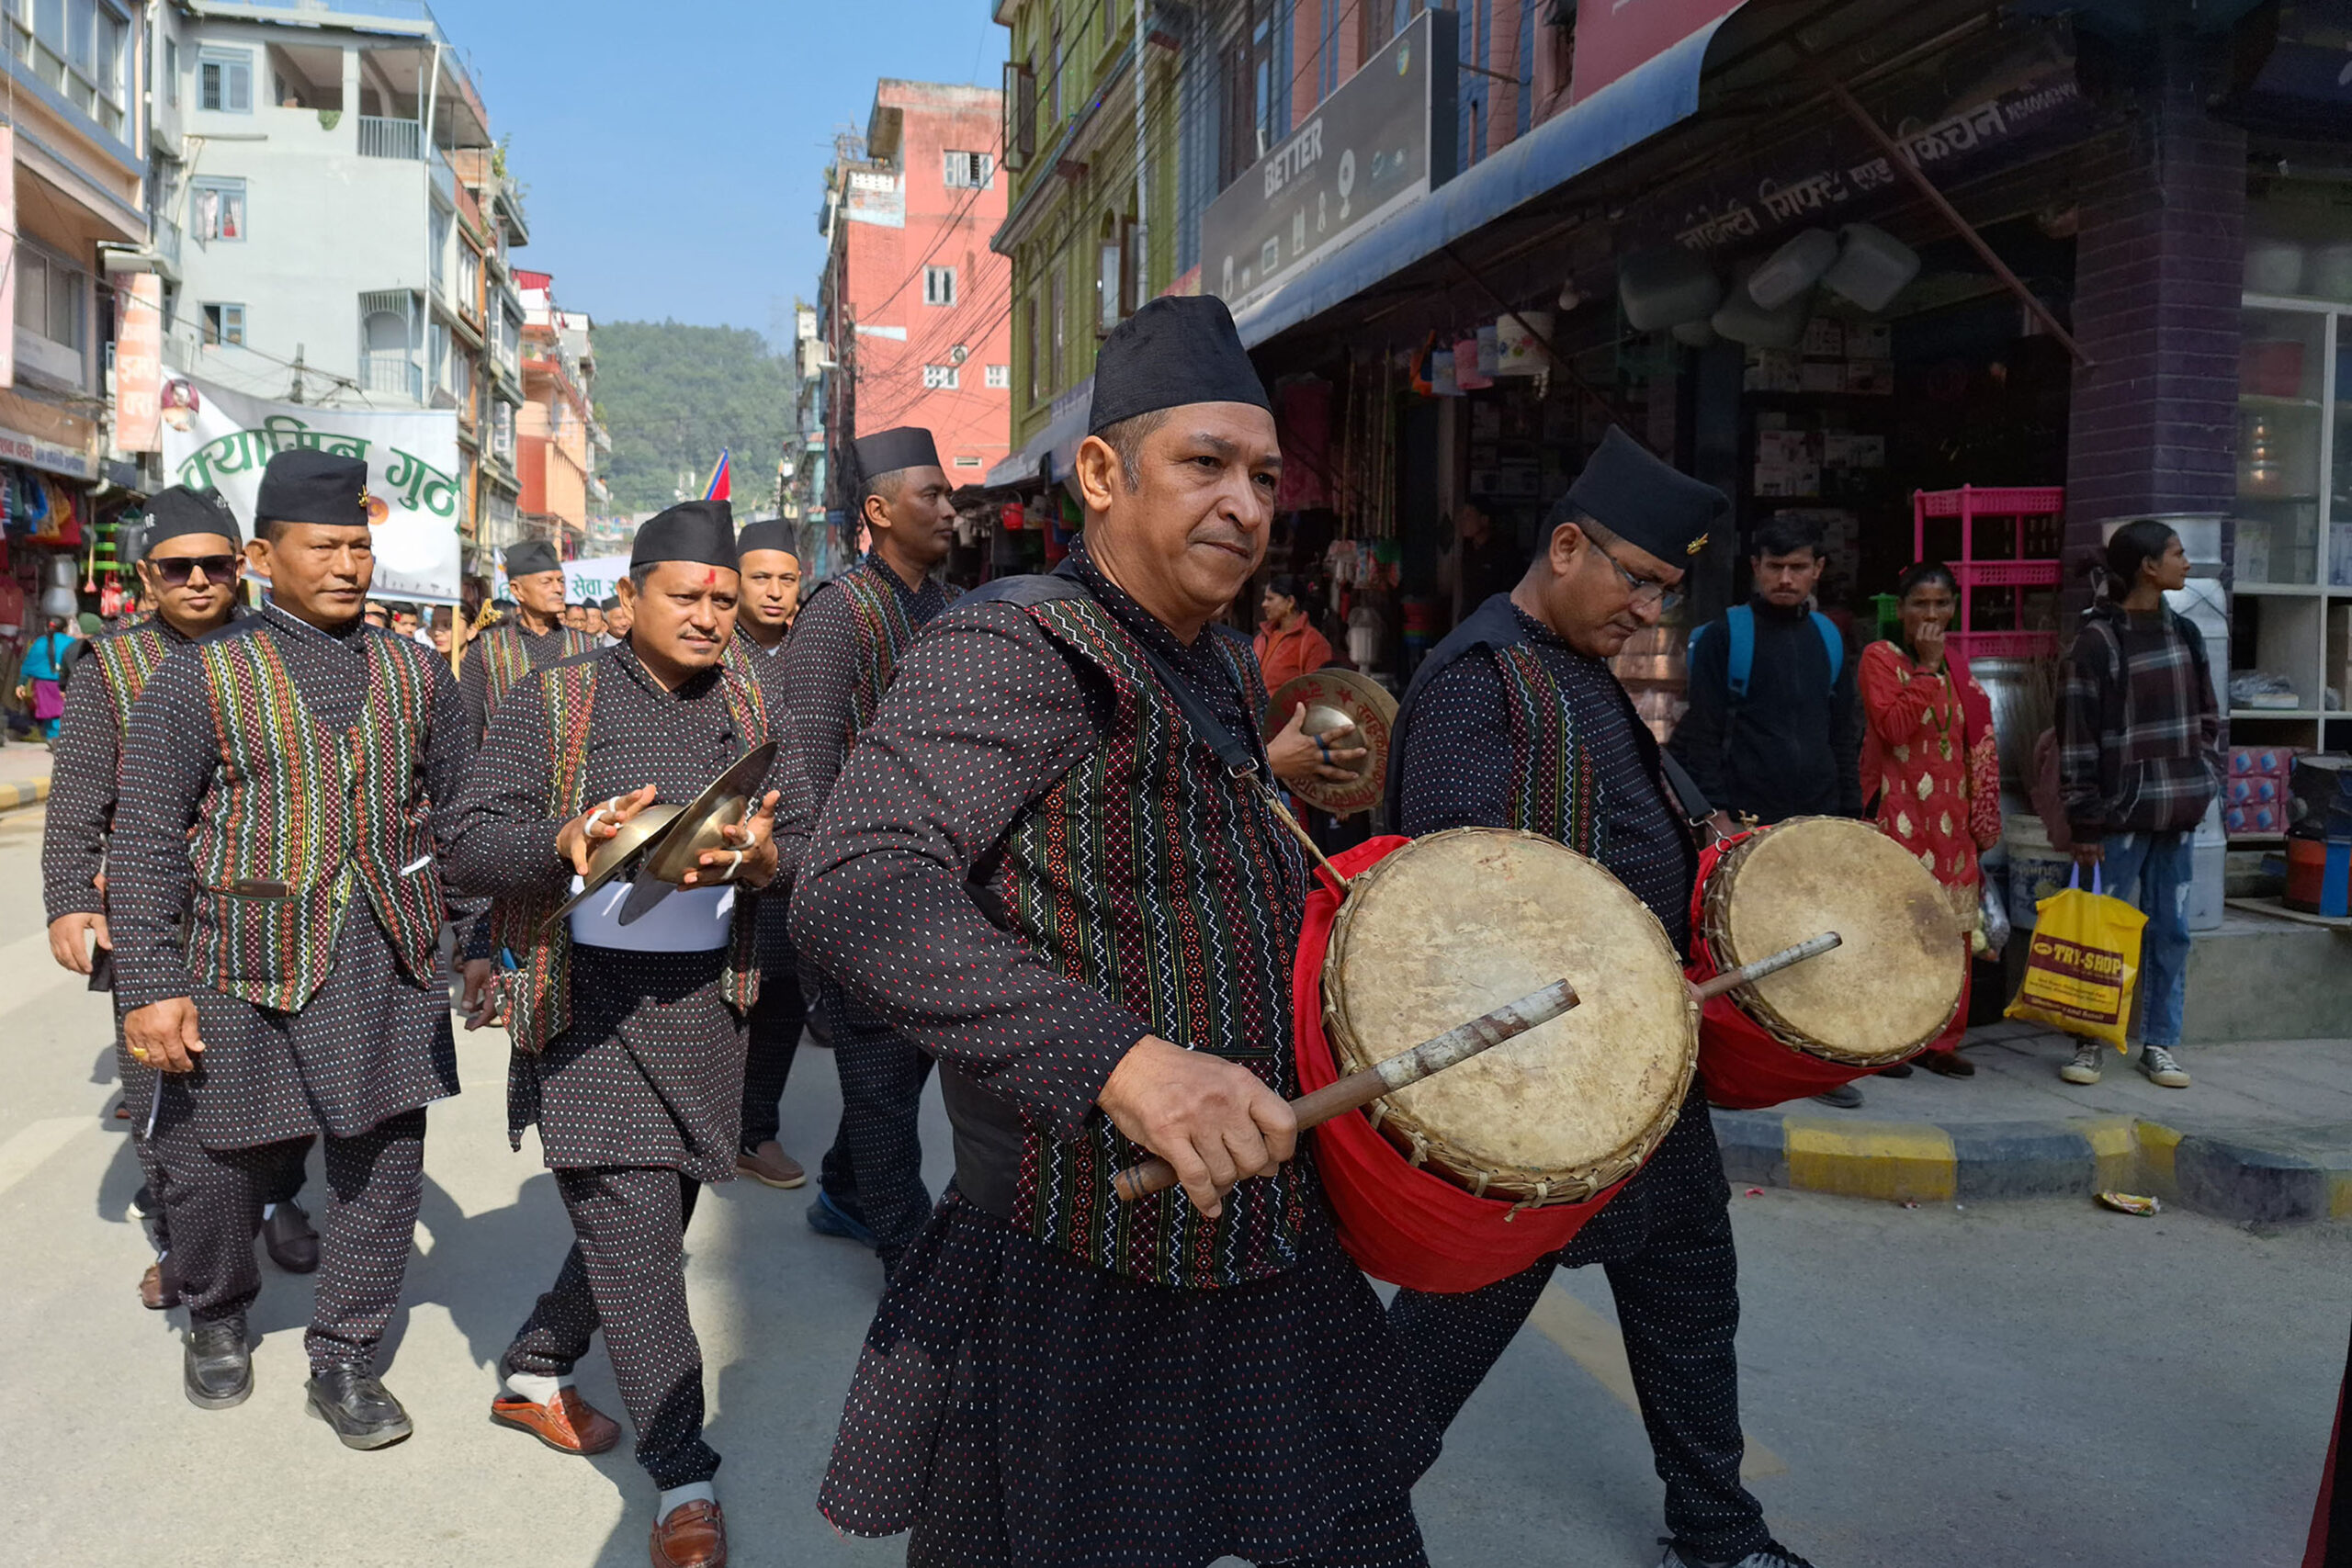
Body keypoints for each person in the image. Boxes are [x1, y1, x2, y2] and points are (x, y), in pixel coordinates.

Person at [796, 292, 1432, 1566]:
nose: (1246, 505)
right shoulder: (1017, 645)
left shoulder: (1219, 660)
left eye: (1263, 474)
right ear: (1100, 472)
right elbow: (857, 881)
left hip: (1257, 1231)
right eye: (1204, 464)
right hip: (1080, 1248)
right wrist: (1129, 1065)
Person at [1383, 428, 1821, 1568]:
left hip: (1637, 1075)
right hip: (1539, 1097)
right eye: (1635, 580)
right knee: (1443, 1335)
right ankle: (1330, 1520)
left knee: (1689, 1295)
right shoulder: (1484, 683)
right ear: (1566, 545)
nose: (1647, 612)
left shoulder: (1571, 670)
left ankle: (1717, 1533)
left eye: (1666, 594)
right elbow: (1460, 910)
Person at [447, 500, 809, 1568]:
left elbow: (810, 822)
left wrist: (764, 862)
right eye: (685, 596)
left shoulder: (754, 695)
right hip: (585, 1016)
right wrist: (564, 841)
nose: (708, 616)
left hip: (708, 1007)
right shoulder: (552, 705)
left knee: (648, 1222)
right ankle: (682, 1479)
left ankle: (532, 1372)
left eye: (722, 599)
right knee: (644, 1255)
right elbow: (467, 841)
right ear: (629, 598)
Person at [107, 449, 473, 1445]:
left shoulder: (416, 668)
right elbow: (142, 837)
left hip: (389, 960)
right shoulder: (199, 677)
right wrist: (149, 982)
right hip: (243, 963)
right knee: (215, 1168)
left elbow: (467, 812)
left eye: (360, 545)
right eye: (325, 547)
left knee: (383, 1166)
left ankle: (345, 1356)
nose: (349, 564)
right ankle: (216, 1312)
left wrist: (480, 942)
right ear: (266, 556)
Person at [41, 487, 318, 1310]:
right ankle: (187, 1236)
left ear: (243, 567)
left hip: (272, 910)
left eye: (215, 564)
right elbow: (79, 794)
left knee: (288, 1079)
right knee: (165, 1087)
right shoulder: (114, 665)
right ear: (147, 576)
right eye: (177, 567)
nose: (198, 580)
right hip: (152, 910)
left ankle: (274, 1198)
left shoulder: (286, 653)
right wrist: (66, 893)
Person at [783, 423, 953, 1274]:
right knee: (884, 1079)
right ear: (880, 511)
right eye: (933, 495)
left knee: (907, 1067)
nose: (951, 509)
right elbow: (804, 760)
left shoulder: (949, 608)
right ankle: (905, 1248)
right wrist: (823, 908)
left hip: (941, 883)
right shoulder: (836, 614)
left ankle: (846, 1190)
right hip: (863, 888)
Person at [1671, 513, 1863, 1106]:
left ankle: (1808, 1064)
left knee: (1812, 943)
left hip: (1814, 819)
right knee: (1734, 946)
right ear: (1754, 568)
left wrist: (1851, 818)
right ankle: (1727, 1067)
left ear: (1817, 571)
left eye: (1798, 567)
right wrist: (1715, 815)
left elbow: (1844, 731)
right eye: (1774, 566)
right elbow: (1700, 730)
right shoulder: (1725, 636)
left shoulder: (1831, 638)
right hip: (1744, 820)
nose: (1786, 578)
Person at [2054, 519, 2221, 1090]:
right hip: (2116, 818)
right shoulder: (2096, 642)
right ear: (2149, 567)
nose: (2186, 564)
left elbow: (2208, 718)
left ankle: (2159, 1041)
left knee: (2171, 931)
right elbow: (2076, 738)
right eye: (2177, 554)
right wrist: (2085, 819)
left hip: (2178, 813)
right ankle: (2091, 1040)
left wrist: (2204, 779)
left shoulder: (2187, 635)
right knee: (2104, 931)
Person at [1858, 561, 2002, 1078]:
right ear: (1901, 609)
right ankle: (1889, 1041)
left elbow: (1976, 748)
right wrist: (1924, 667)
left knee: (1951, 937)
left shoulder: (1959, 669)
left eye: (1942, 604)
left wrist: (1983, 819)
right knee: (1895, 932)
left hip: (1954, 825)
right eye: (1921, 603)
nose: (1932, 614)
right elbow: (1894, 728)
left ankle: (1941, 1042)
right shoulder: (1882, 659)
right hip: (1900, 819)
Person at [726, 519, 810, 1191]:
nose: (776, 591)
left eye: (787, 578)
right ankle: (712, 1123)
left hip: (798, 848)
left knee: (782, 996)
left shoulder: (815, 650)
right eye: (762, 577)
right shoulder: (715, 650)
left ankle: (755, 1129)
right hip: (725, 851)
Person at [462, 542, 597, 738]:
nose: (558, 589)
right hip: (507, 764)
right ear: (517, 590)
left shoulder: (588, 647)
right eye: (547, 582)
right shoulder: (486, 649)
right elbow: (469, 729)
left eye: (561, 581)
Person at [1439, 499, 1521, 628]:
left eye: (1469, 516)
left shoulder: (1503, 551)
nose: (1463, 521)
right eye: (1462, 516)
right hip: (1469, 620)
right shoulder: (1466, 550)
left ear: (1484, 520)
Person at [1253, 571, 1333, 693]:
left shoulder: (1314, 643)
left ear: (1290, 601)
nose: (1264, 604)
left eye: (1270, 599)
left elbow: (1318, 694)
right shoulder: (1261, 638)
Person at [19, 614, 78, 739]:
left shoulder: (39, 642)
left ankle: (52, 738)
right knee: (62, 715)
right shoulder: (71, 642)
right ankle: (60, 740)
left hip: (42, 686)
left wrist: (21, 684)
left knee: (49, 715)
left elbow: (28, 664)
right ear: (65, 629)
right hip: (64, 686)